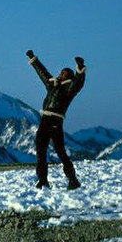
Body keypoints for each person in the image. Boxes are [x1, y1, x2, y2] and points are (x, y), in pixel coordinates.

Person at [26, 50, 86, 190]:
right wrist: (33, 59)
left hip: (55, 121)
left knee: (60, 152)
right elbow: (43, 73)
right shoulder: (52, 85)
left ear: (69, 76)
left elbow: (78, 83)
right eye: (60, 72)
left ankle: (73, 180)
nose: (60, 74)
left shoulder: (70, 88)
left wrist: (80, 69)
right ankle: (43, 181)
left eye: (64, 73)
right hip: (44, 120)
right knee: (40, 151)